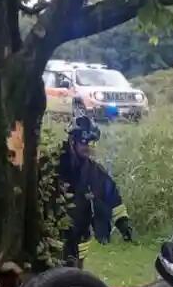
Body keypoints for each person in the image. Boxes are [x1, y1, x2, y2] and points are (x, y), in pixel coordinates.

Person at [57, 115, 133, 268]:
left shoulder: (94, 171)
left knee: (76, 279)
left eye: (90, 143)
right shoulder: (56, 166)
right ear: (73, 141)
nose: (88, 147)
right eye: (84, 142)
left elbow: (112, 197)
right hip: (58, 240)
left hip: (81, 239)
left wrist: (123, 224)